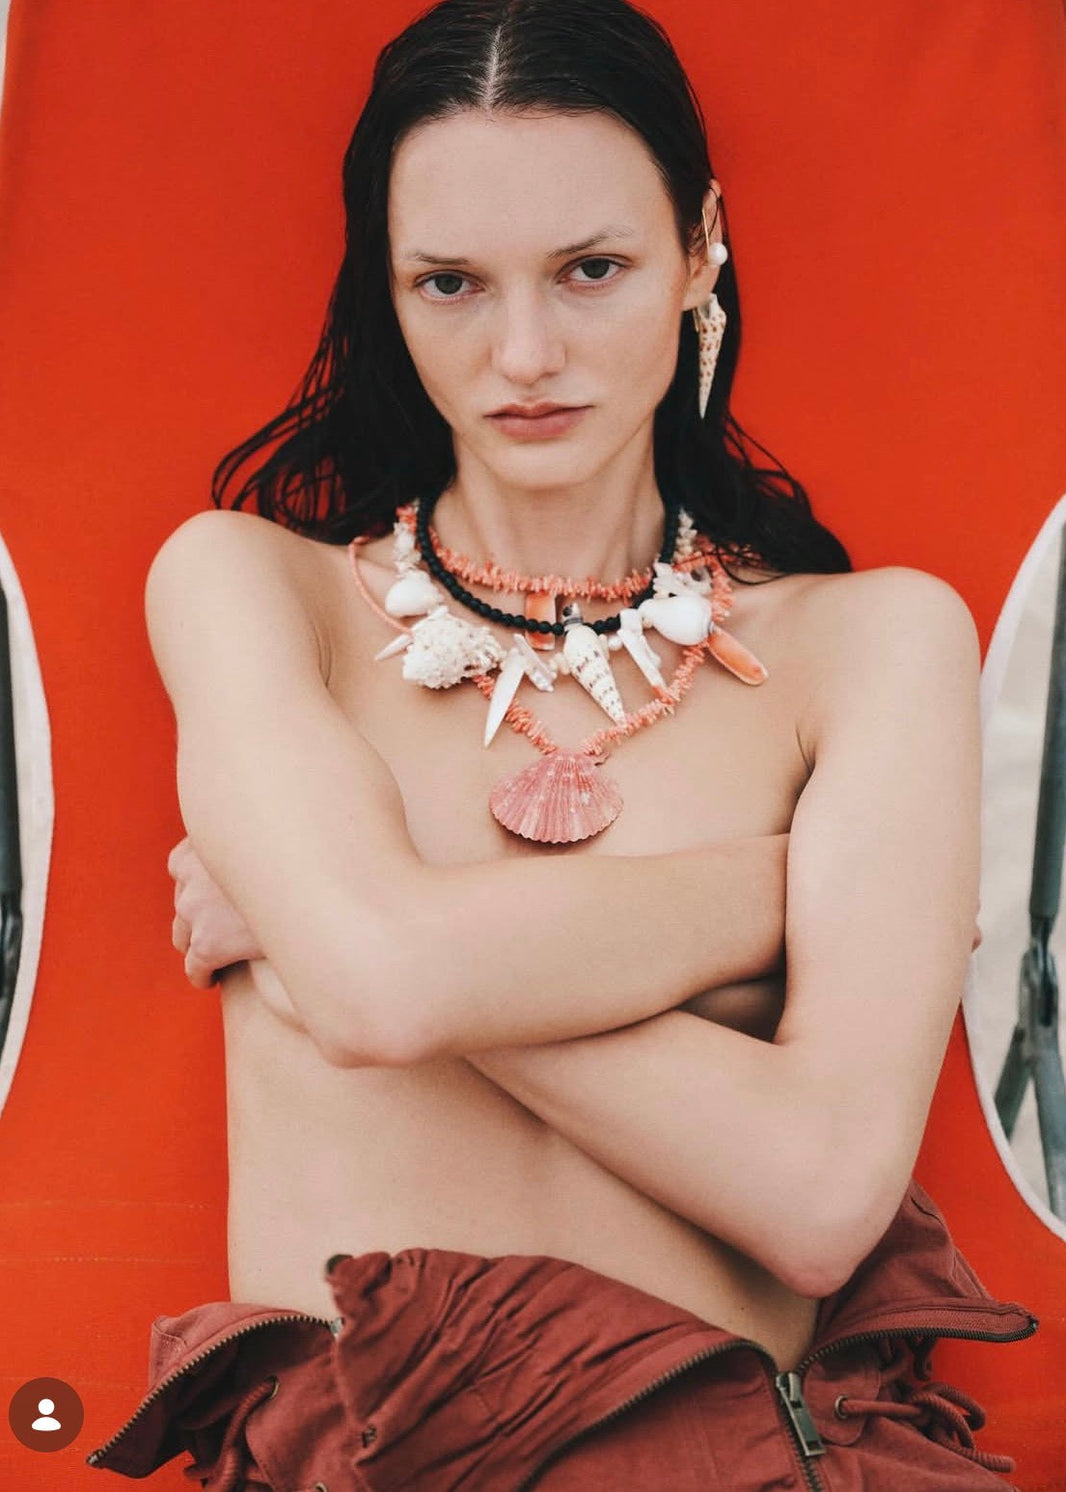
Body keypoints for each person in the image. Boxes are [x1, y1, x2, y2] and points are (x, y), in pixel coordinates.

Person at [86, 1, 1037, 1487]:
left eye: (592, 269)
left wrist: (361, 935)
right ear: (386, 288)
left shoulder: (874, 642)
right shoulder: (249, 588)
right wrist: (784, 893)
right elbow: (382, 983)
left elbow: (817, 1199)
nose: (523, 353)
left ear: (700, 248)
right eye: (449, 283)